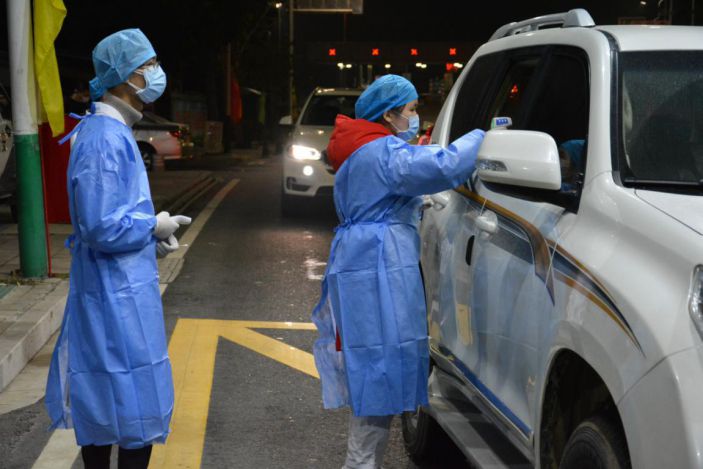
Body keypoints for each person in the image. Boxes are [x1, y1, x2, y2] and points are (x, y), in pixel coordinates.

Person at [311, 74, 485, 469]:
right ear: (388, 114)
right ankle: (359, 463)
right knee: (379, 372)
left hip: (362, 261)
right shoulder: (384, 151)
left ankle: (362, 461)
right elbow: (444, 165)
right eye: (411, 109)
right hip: (378, 264)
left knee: (375, 369)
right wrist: (483, 137)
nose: (415, 115)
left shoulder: (361, 148)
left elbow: (382, 194)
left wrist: (410, 205)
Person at [45, 29, 191, 469]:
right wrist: (151, 226)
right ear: (126, 75)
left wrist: (150, 242)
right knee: (127, 406)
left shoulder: (113, 131)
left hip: (120, 286)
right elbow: (101, 225)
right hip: (113, 295)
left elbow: (112, 216)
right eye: (149, 65)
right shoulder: (105, 137)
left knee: (118, 403)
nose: (156, 73)